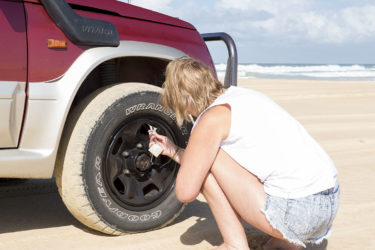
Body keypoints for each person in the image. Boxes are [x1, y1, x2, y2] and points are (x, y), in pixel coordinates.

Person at [148, 57, 340, 250]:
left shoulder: (212, 118)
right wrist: (174, 151)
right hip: (328, 204)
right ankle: (286, 243)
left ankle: (234, 245)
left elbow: (186, 192)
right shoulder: (242, 96)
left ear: (185, 96)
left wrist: (189, 152)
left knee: (209, 158)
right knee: (267, 164)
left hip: (297, 215)